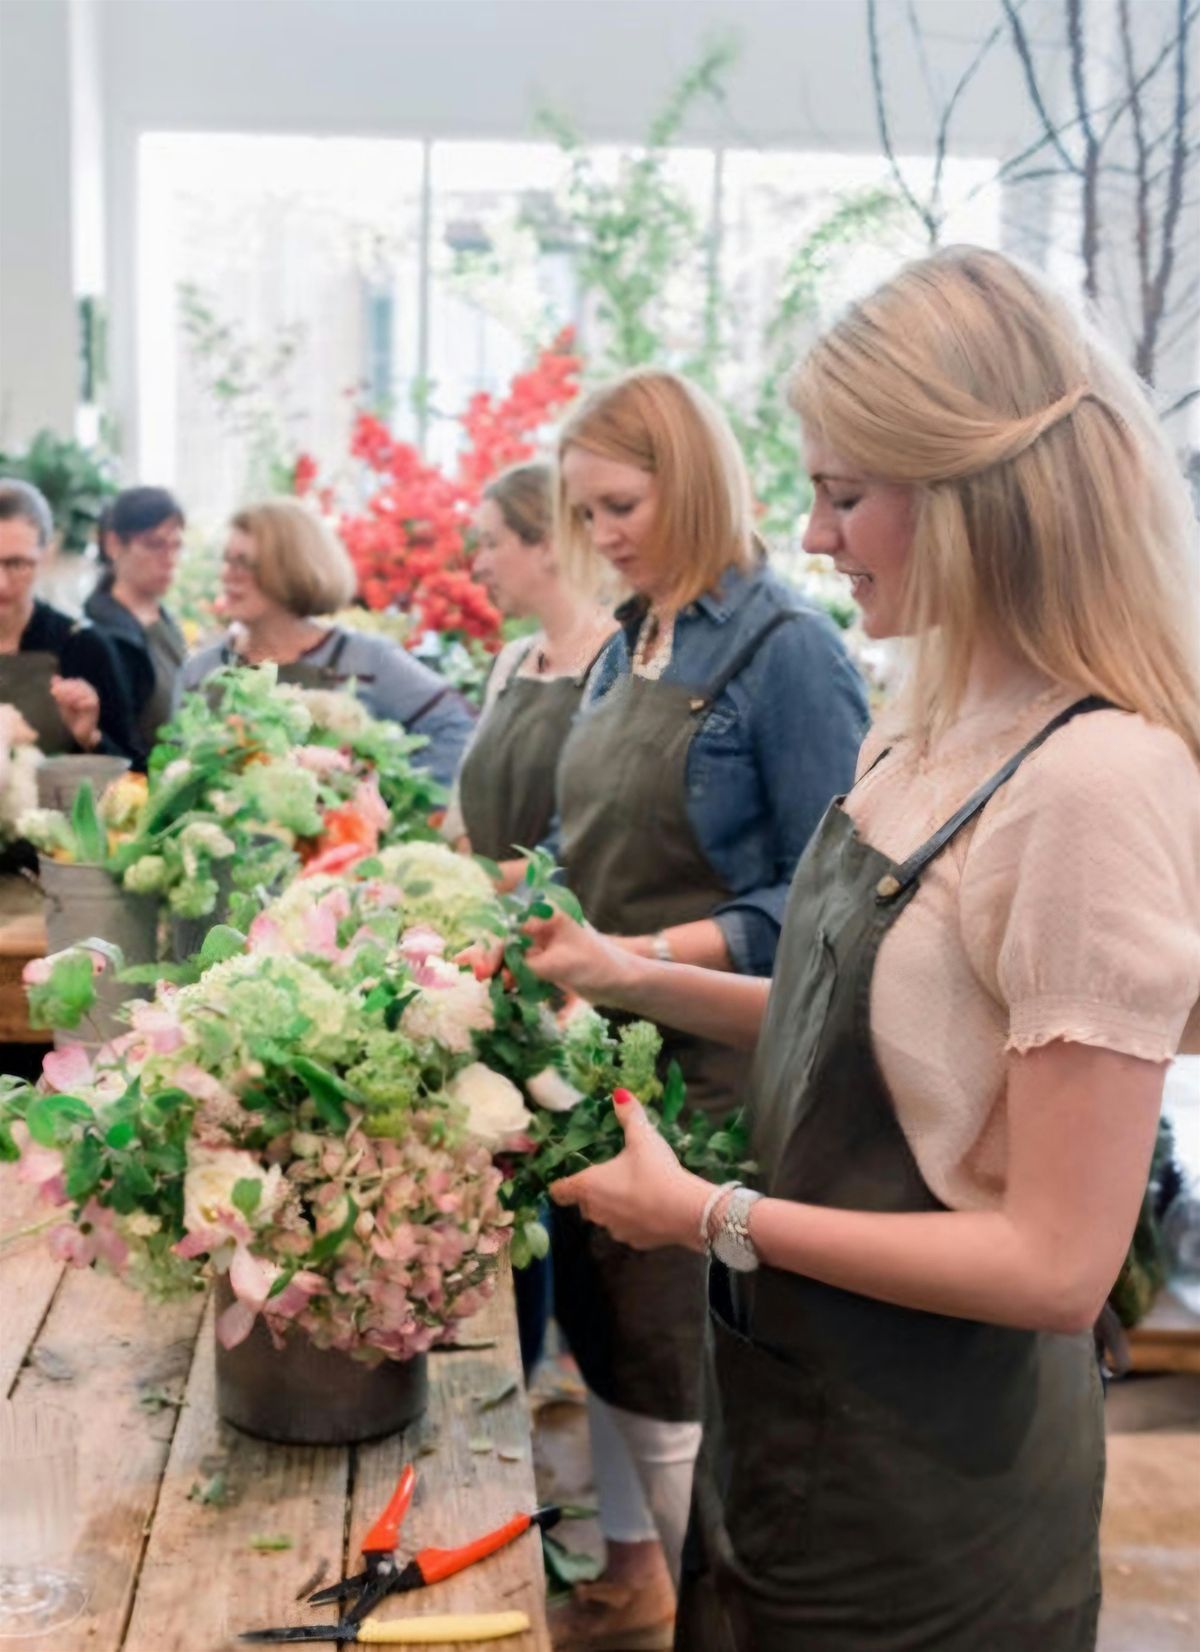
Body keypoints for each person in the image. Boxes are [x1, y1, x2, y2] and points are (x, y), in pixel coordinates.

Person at [525, 247, 1200, 1651]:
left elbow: (1057, 1265)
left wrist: (707, 1216)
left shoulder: (1093, 785)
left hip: (935, 1487)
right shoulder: (929, 712)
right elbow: (876, 1027)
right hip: (794, 1419)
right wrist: (629, 972)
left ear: (982, 500)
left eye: (846, 496)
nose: (818, 539)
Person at [519, 371, 867, 1650]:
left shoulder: (788, 654)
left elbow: (829, 908)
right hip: (603, 1050)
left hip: (718, 1072)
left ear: (696, 479)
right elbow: (578, 829)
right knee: (608, 1329)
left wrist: (639, 952)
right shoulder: (628, 641)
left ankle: (711, 1613)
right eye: (582, 511)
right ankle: (637, 1572)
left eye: (621, 502)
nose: (601, 532)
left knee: (677, 1364)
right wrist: (525, 896)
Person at [444, 461, 616, 1381]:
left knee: (527, 1169)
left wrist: (462, 882)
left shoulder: (611, 662)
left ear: (546, 543)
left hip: (546, 963)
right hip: (470, 948)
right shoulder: (514, 660)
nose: (477, 560)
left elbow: (575, 846)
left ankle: (525, 1377)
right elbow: (467, 808)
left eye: (490, 541)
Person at [178, 499, 473, 787]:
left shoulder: (367, 660)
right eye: (227, 561)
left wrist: (400, 802)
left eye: (244, 563)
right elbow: (175, 774)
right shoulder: (201, 671)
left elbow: (458, 727)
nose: (228, 575)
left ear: (291, 569)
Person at [0, 480, 140, 762]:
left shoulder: (83, 647)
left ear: (46, 555)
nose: (1, 585)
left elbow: (136, 774)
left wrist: (90, 738)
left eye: (16, 564)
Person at [86, 486, 187, 762]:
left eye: (176, 545)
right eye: (154, 544)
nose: (169, 559)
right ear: (113, 545)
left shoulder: (164, 620)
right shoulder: (98, 633)